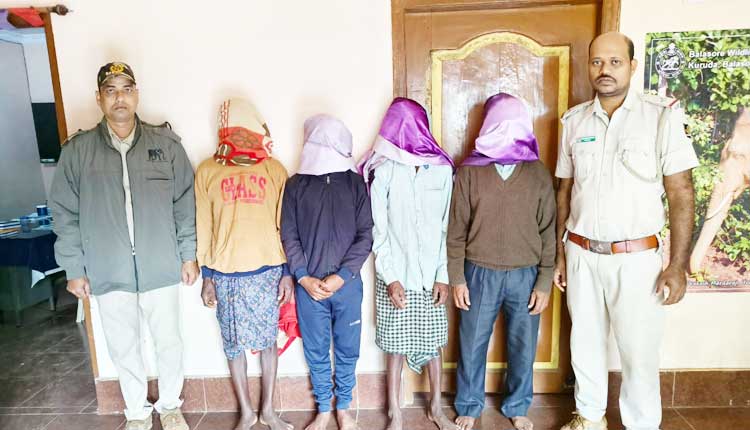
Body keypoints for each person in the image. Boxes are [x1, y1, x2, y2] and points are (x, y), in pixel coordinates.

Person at [555, 32, 698, 430]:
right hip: (581, 254)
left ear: (633, 66)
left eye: (615, 62)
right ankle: (589, 418)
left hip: (636, 260)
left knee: (638, 352)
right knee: (584, 343)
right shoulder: (573, 121)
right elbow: (564, 191)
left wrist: (677, 265)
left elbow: (681, 191)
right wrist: (560, 254)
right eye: (597, 62)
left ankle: (642, 424)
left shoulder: (661, 116)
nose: (605, 70)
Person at [50, 62, 197, 430]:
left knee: (169, 342)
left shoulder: (165, 145)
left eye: (126, 89)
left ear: (137, 95)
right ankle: (136, 412)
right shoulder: (78, 151)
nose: (120, 97)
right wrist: (73, 268)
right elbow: (64, 213)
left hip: (161, 263)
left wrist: (188, 254)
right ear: (99, 98)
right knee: (123, 346)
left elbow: (185, 203)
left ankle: (170, 406)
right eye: (111, 90)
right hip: (107, 267)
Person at [449, 93, 556, 430]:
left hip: (526, 276)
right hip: (478, 273)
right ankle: (469, 404)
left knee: (523, 345)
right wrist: (457, 278)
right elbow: (455, 231)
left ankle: (518, 405)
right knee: (472, 343)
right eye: (500, 123)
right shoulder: (470, 172)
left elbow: (548, 232)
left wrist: (544, 282)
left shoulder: (538, 174)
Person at [359, 97, 457, 430]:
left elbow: (447, 227)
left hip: (431, 277)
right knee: (395, 346)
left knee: (433, 344)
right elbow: (379, 230)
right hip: (396, 276)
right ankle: (395, 413)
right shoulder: (384, 170)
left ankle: (436, 409)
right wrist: (390, 278)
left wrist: (443, 275)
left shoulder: (441, 170)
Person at [196, 98, 294, 430]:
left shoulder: (274, 169)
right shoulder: (208, 171)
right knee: (233, 344)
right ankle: (247, 412)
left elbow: (285, 225)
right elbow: (204, 225)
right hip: (225, 273)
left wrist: (287, 273)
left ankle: (268, 411)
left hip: (268, 271)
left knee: (268, 342)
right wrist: (207, 276)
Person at [280, 114, 373, 430]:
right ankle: (323, 409)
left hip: (347, 285)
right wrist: (303, 277)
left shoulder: (355, 183)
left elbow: (366, 234)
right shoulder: (296, 185)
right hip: (309, 288)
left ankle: (343, 408)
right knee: (316, 349)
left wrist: (342, 276)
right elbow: (289, 235)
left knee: (348, 348)